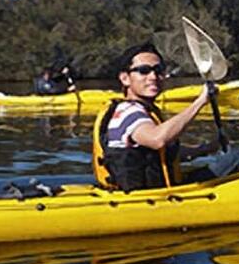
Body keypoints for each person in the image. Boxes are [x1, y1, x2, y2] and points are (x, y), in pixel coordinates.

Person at [92, 42, 217, 192]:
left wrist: (207, 148)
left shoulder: (142, 111)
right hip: (143, 198)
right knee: (235, 159)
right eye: (143, 71)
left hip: (153, 190)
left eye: (158, 71)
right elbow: (157, 140)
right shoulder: (128, 113)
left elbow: (161, 154)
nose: (153, 77)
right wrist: (200, 101)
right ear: (125, 78)